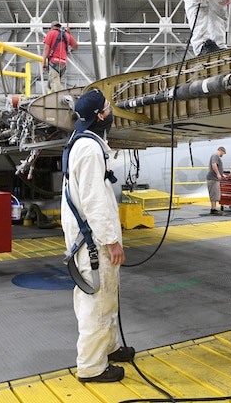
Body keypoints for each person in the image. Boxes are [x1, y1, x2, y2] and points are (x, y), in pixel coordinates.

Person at [61, 89, 134, 383]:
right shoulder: (90, 150)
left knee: (105, 296)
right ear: (100, 116)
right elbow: (94, 200)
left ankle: (110, 347)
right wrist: (111, 241)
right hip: (94, 241)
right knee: (97, 301)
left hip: (85, 237)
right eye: (107, 107)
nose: (110, 111)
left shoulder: (81, 143)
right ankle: (92, 367)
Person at [42, 21, 78, 92]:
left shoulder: (50, 34)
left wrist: (43, 62)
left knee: (55, 83)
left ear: (52, 27)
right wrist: (69, 34)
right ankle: (51, 101)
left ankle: (60, 97)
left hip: (54, 62)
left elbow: (46, 49)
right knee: (53, 84)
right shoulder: (66, 35)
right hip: (63, 64)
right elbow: (75, 46)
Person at [206, 146, 226, 215]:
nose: (222, 155)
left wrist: (222, 174)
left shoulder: (215, 156)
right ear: (221, 151)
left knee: (215, 193)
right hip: (213, 178)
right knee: (214, 194)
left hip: (214, 178)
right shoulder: (215, 155)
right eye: (223, 153)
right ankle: (213, 209)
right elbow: (214, 164)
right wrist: (218, 174)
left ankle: (213, 208)